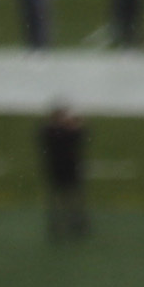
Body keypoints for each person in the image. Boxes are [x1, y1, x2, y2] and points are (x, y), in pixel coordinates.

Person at [38, 102, 90, 241]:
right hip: (62, 167)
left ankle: (73, 222)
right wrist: (72, 126)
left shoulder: (51, 130)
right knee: (63, 196)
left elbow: (82, 134)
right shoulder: (53, 131)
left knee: (71, 195)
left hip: (66, 166)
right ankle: (65, 223)